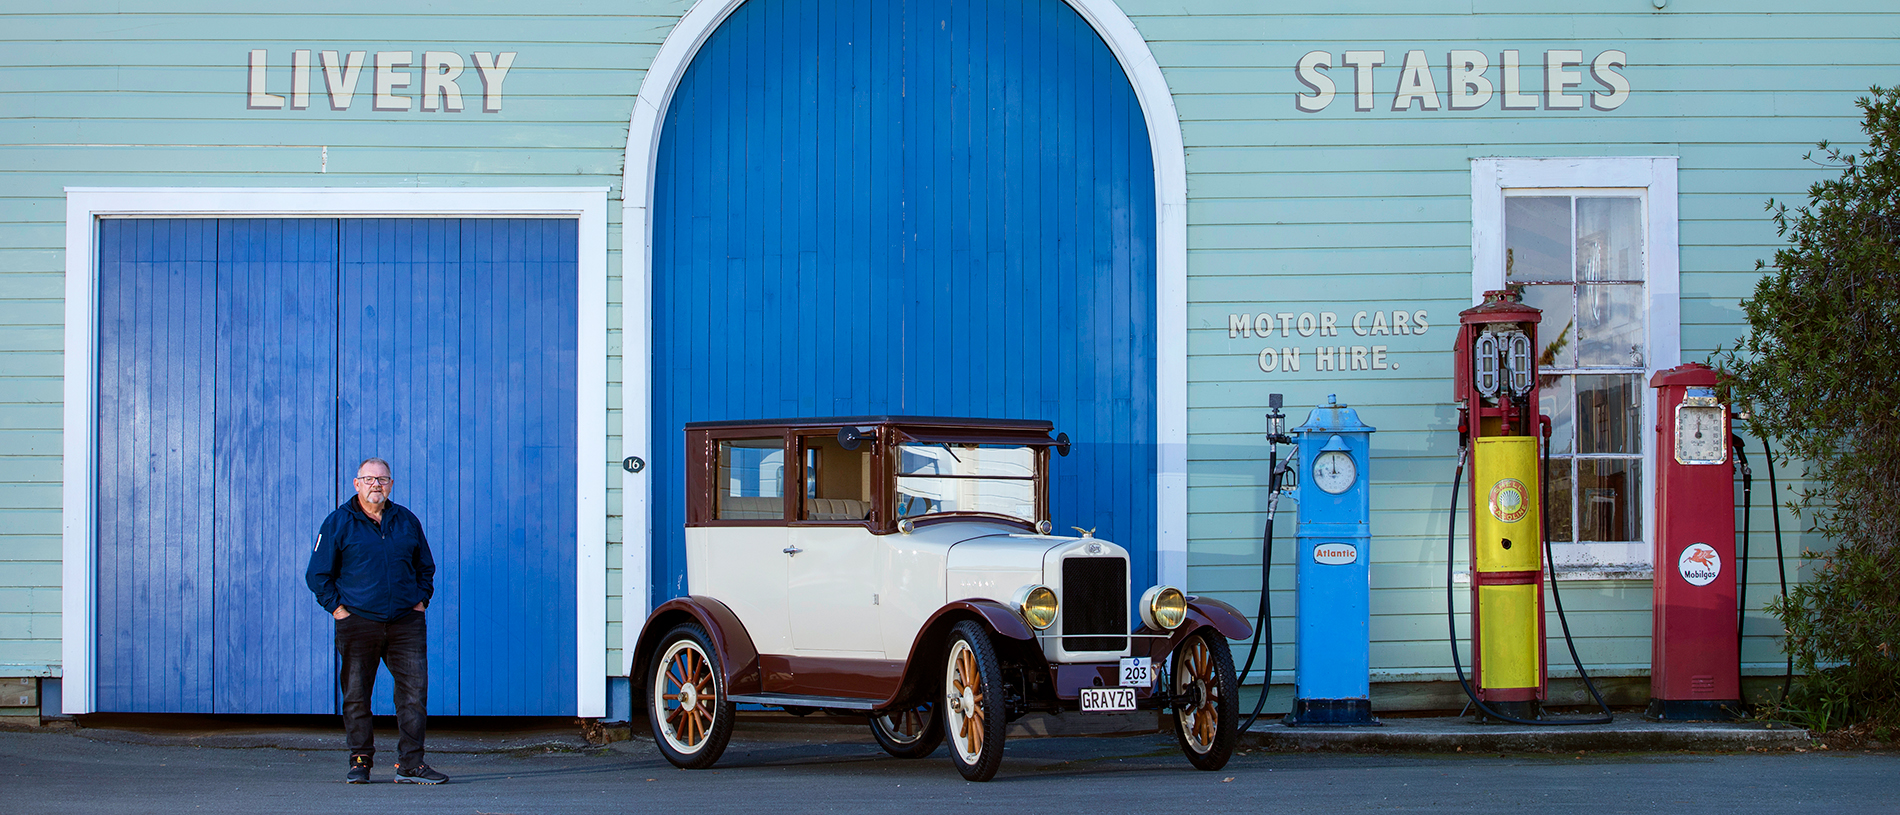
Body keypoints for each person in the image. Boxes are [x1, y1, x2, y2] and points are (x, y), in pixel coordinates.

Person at [305, 457, 448, 785]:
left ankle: (411, 764)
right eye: (369, 479)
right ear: (357, 484)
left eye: (382, 479)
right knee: (357, 694)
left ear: (391, 484)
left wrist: (421, 600)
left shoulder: (406, 520)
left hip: (405, 623)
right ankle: (360, 761)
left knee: (413, 695)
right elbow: (317, 574)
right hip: (358, 622)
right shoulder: (339, 522)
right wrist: (338, 609)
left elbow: (425, 567)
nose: (376, 485)